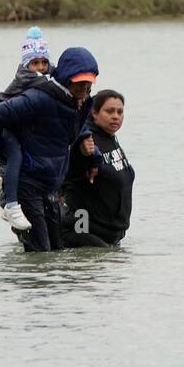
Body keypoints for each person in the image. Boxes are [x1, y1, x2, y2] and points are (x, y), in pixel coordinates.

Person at [0, 47, 102, 252]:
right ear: (66, 78)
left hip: (51, 185)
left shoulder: (81, 102)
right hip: (26, 185)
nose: (84, 86)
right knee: (40, 253)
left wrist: (94, 159)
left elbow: (76, 129)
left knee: (56, 251)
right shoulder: (39, 98)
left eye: (88, 82)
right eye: (79, 82)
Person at [0, 26, 53, 232]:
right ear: (27, 64)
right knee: (15, 156)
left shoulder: (45, 74)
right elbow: (49, 83)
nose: (40, 67)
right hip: (2, 125)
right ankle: (11, 204)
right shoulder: (26, 77)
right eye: (35, 62)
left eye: (44, 62)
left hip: (19, 126)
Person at [62, 90, 135, 248]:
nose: (116, 116)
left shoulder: (109, 137)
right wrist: (81, 149)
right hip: (83, 231)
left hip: (110, 235)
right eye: (109, 111)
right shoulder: (86, 142)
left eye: (120, 112)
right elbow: (74, 162)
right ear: (94, 113)